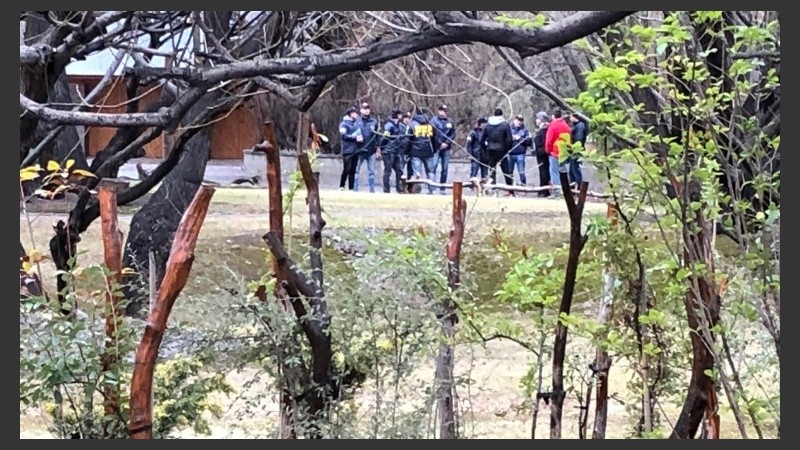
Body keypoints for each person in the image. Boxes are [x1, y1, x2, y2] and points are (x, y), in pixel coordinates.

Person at [480, 108, 513, 192]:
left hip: (490, 150)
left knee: (492, 171)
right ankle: (510, 190)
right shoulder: (505, 124)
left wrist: (485, 149)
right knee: (506, 171)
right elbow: (509, 139)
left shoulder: (488, 125)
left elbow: (481, 140)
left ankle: (493, 190)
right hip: (502, 151)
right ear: (502, 115)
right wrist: (507, 150)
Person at [406, 110, 436, 195]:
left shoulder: (412, 124)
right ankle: (431, 189)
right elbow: (434, 139)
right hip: (429, 151)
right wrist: (434, 149)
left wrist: (407, 151)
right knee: (430, 172)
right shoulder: (430, 124)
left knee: (417, 173)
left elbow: (408, 140)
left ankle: (417, 190)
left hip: (416, 152)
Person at [353, 102, 381, 193]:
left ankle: (372, 190)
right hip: (359, 150)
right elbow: (352, 134)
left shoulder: (374, 122)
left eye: (368, 108)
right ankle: (355, 189)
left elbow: (377, 136)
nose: (367, 110)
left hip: (371, 151)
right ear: (361, 110)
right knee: (356, 170)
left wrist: (378, 148)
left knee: (371, 172)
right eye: (365, 108)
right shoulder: (356, 122)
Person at [544, 109, 572, 198]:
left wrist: (548, 150)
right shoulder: (566, 126)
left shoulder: (553, 125)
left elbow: (549, 139)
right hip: (563, 152)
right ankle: (566, 191)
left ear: (553, 116)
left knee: (554, 172)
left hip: (555, 152)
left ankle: (556, 192)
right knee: (563, 171)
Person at [430, 104, 456, 195]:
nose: (444, 113)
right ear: (439, 111)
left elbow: (453, 134)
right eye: (442, 111)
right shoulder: (433, 121)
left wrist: (446, 143)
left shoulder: (450, 122)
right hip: (436, 148)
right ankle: (431, 187)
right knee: (433, 167)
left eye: (445, 111)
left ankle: (442, 187)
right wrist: (439, 143)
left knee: (445, 168)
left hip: (446, 148)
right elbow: (432, 135)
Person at [380, 109, 407, 193]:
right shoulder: (389, 125)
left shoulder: (400, 125)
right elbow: (385, 138)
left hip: (397, 151)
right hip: (388, 151)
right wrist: (383, 148)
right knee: (388, 170)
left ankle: (399, 188)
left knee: (399, 170)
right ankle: (386, 189)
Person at [338, 106, 362, 190]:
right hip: (347, 150)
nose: (357, 115)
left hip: (356, 149)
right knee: (346, 169)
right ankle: (342, 186)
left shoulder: (357, 124)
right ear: (351, 114)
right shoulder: (344, 124)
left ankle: (351, 188)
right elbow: (344, 136)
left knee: (353, 170)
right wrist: (355, 138)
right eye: (355, 113)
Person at [509, 114, 532, 187]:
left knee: (521, 171)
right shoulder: (509, 129)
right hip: (510, 154)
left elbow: (529, 141)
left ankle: (523, 185)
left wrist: (520, 139)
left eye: (521, 121)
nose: (519, 122)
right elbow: (504, 140)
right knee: (509, 172)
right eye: (518, 120)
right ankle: (509, 186)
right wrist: (511, 138)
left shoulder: (525, 131)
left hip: (520, 154)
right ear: (514, 120)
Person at [532, 111, 551, 197]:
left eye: (538, 118)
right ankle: (542, 189)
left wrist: (541, 150)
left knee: (544, 171)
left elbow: (544, 141)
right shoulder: (542, 128)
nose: (536, 120)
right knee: (542, 171)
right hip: (540, 152)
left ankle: (544, 190)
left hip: (542, 153)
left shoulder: (544, 129)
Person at [568, 113, 588, 186]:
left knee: (575, 169)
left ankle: (579, 187)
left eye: (571, 117)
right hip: (574, 150)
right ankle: (573, 187)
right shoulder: (578, 126)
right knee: (572, 171)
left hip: (577, 151)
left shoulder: (580, 126)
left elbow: (578, 139)